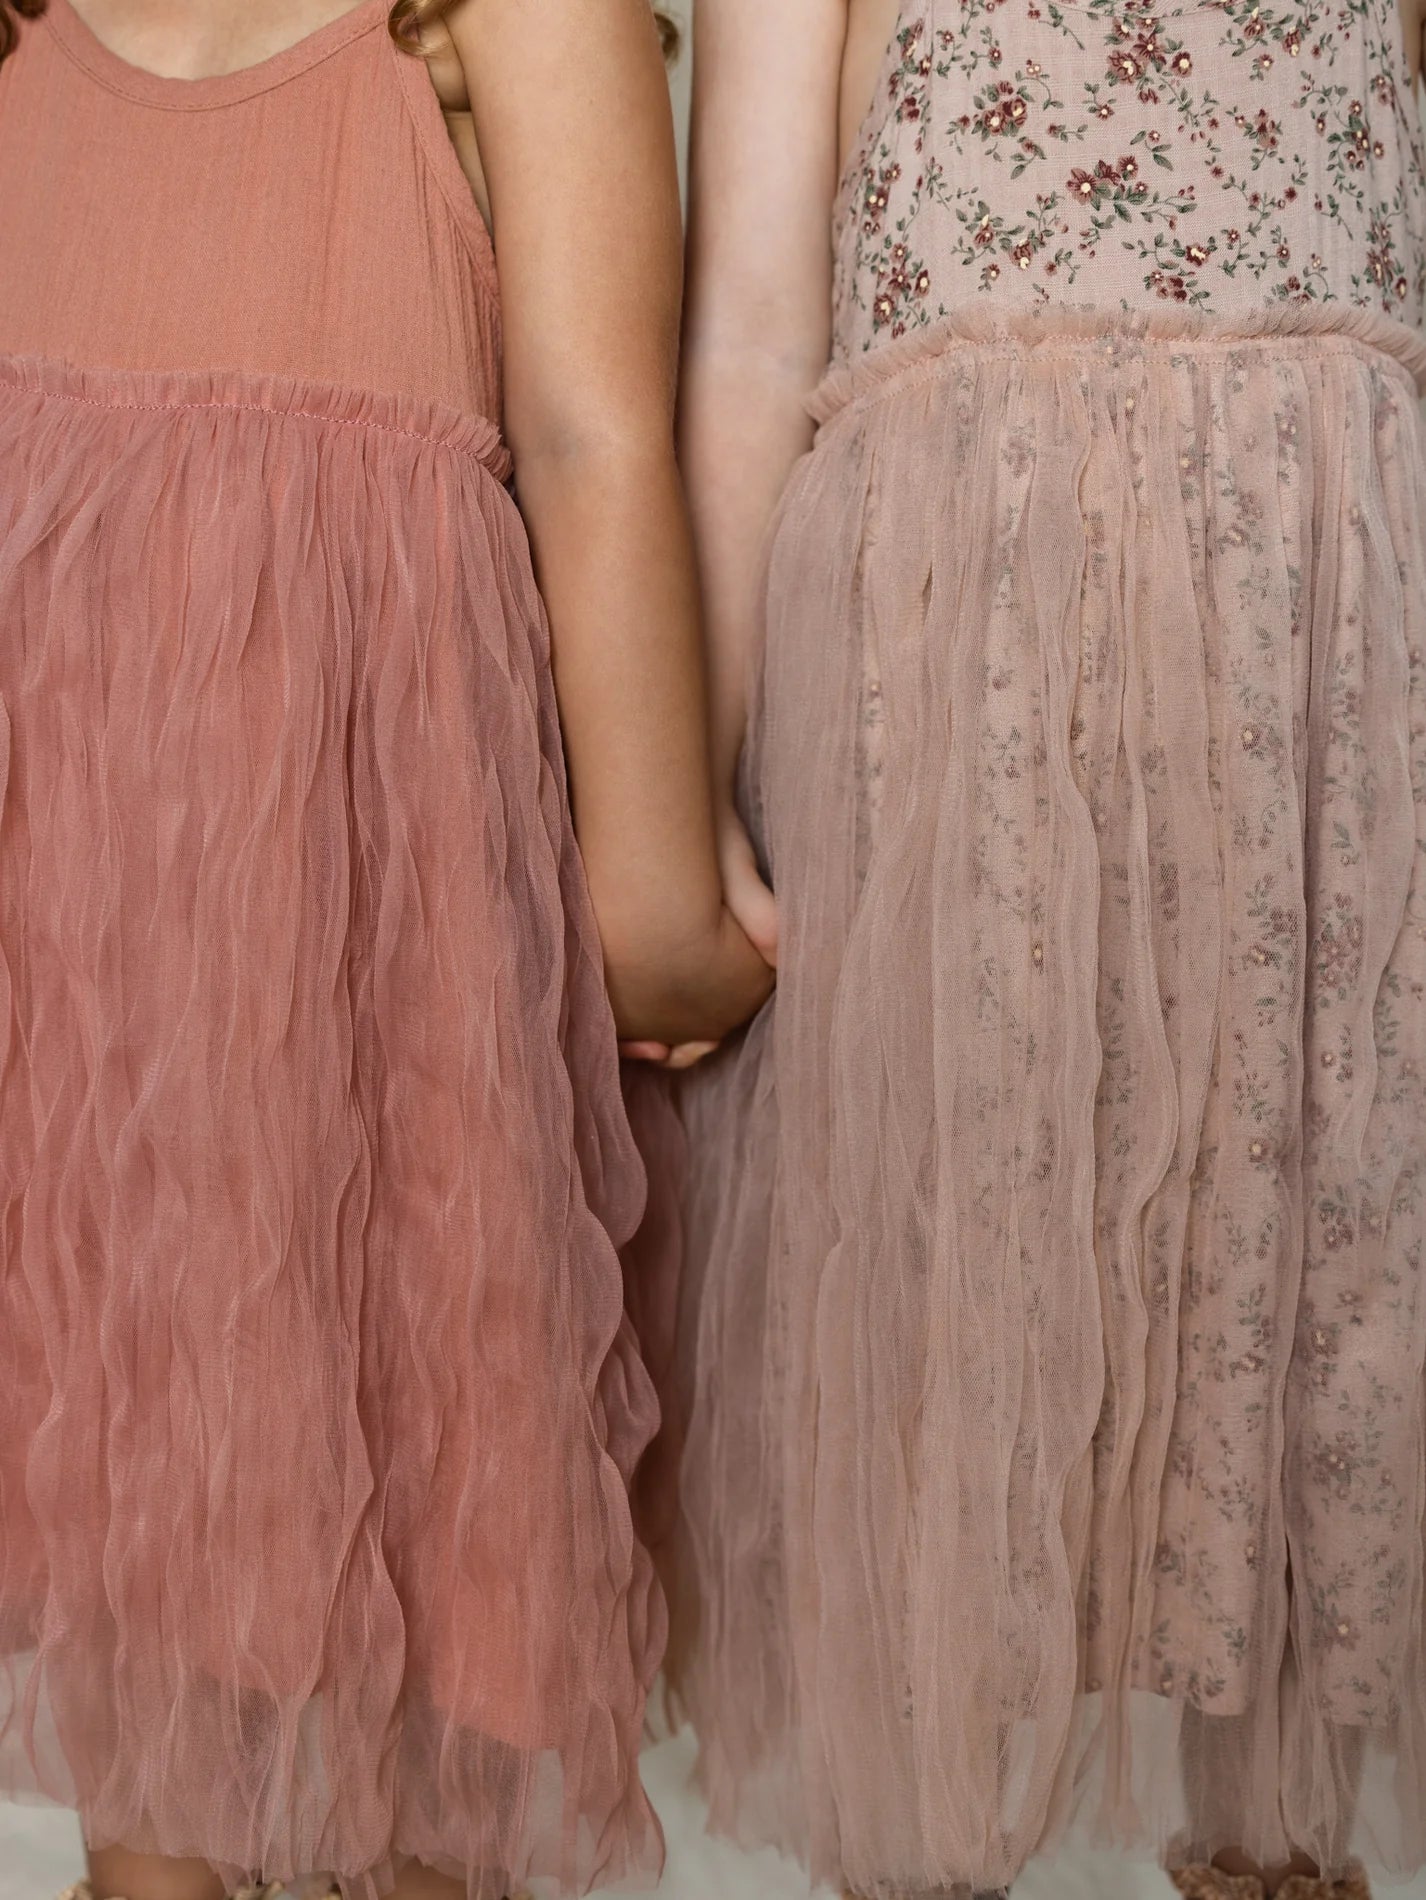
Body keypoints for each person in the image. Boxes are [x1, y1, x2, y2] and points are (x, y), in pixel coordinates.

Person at [0, 0, 772, 1895]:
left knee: (429, 1521)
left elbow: (595, 444)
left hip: (373, 928)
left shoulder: (508, 25)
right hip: (83, 983)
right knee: (144, 1511)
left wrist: (652, 893)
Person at [669, 0, 1426, 1896]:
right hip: (966, 672)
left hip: (1316, 672)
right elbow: (750, 334)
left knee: (1305, 1280)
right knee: (958, 1291)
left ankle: (1279, 1850)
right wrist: (699, 784)